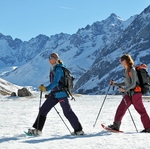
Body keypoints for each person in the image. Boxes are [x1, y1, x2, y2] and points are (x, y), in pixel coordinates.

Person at [28, 53, 84, 135]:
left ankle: (79, 130)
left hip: (61, 94)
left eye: (50, 58)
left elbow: (55, 82)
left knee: (67, 112)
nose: (49, 60)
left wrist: (46, 89)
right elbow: (55, 84)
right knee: (43, 109)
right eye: (48, 58)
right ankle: (37, 130)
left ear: (55, 58)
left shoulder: (59, 69)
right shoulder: (54, 68)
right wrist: (50, 92)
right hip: (54, 94)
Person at [108, 54, 150, 133]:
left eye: (122, 60)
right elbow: (126, 82)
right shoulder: (126, 69)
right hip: (128, 94)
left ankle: (148, 128)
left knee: (141, 111)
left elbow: (133, 84)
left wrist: (124, 90)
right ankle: (116, 126)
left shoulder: (132, 70)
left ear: (126, 60)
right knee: (121, 109)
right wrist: (115, 84)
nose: (121, 62)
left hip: (135, 94)